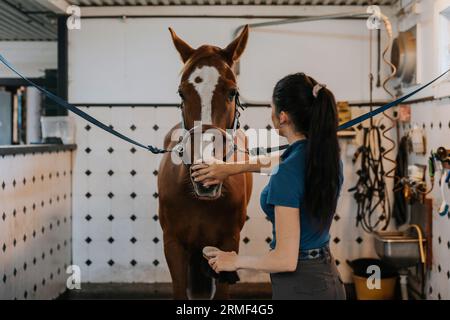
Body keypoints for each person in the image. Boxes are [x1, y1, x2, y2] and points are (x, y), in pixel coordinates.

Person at [191, 73, 346, 300]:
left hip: (302, 288)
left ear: (282, 116)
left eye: (271, 107)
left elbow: (284, 260)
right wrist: (229, 168)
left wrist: (234, 261)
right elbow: (279, 164)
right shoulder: (326, 159)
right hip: (328, 277)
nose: (270, 112)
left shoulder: (289, 170)